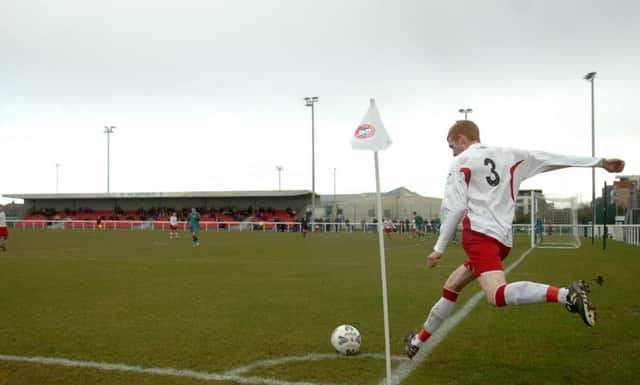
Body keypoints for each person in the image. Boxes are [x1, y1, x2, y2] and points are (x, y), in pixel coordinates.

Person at [404, 120, 625, 359]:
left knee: (496, 295)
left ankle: (566, 294)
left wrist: (439, 248)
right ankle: (417, 341)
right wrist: (599, 162)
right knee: (452, 285)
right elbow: (549, 158)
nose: (452, 151)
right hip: (502, 242)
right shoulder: (510, 155)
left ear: (462, 139)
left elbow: (455, 207)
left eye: (452, 145)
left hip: (479, 237)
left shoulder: (461, 162)